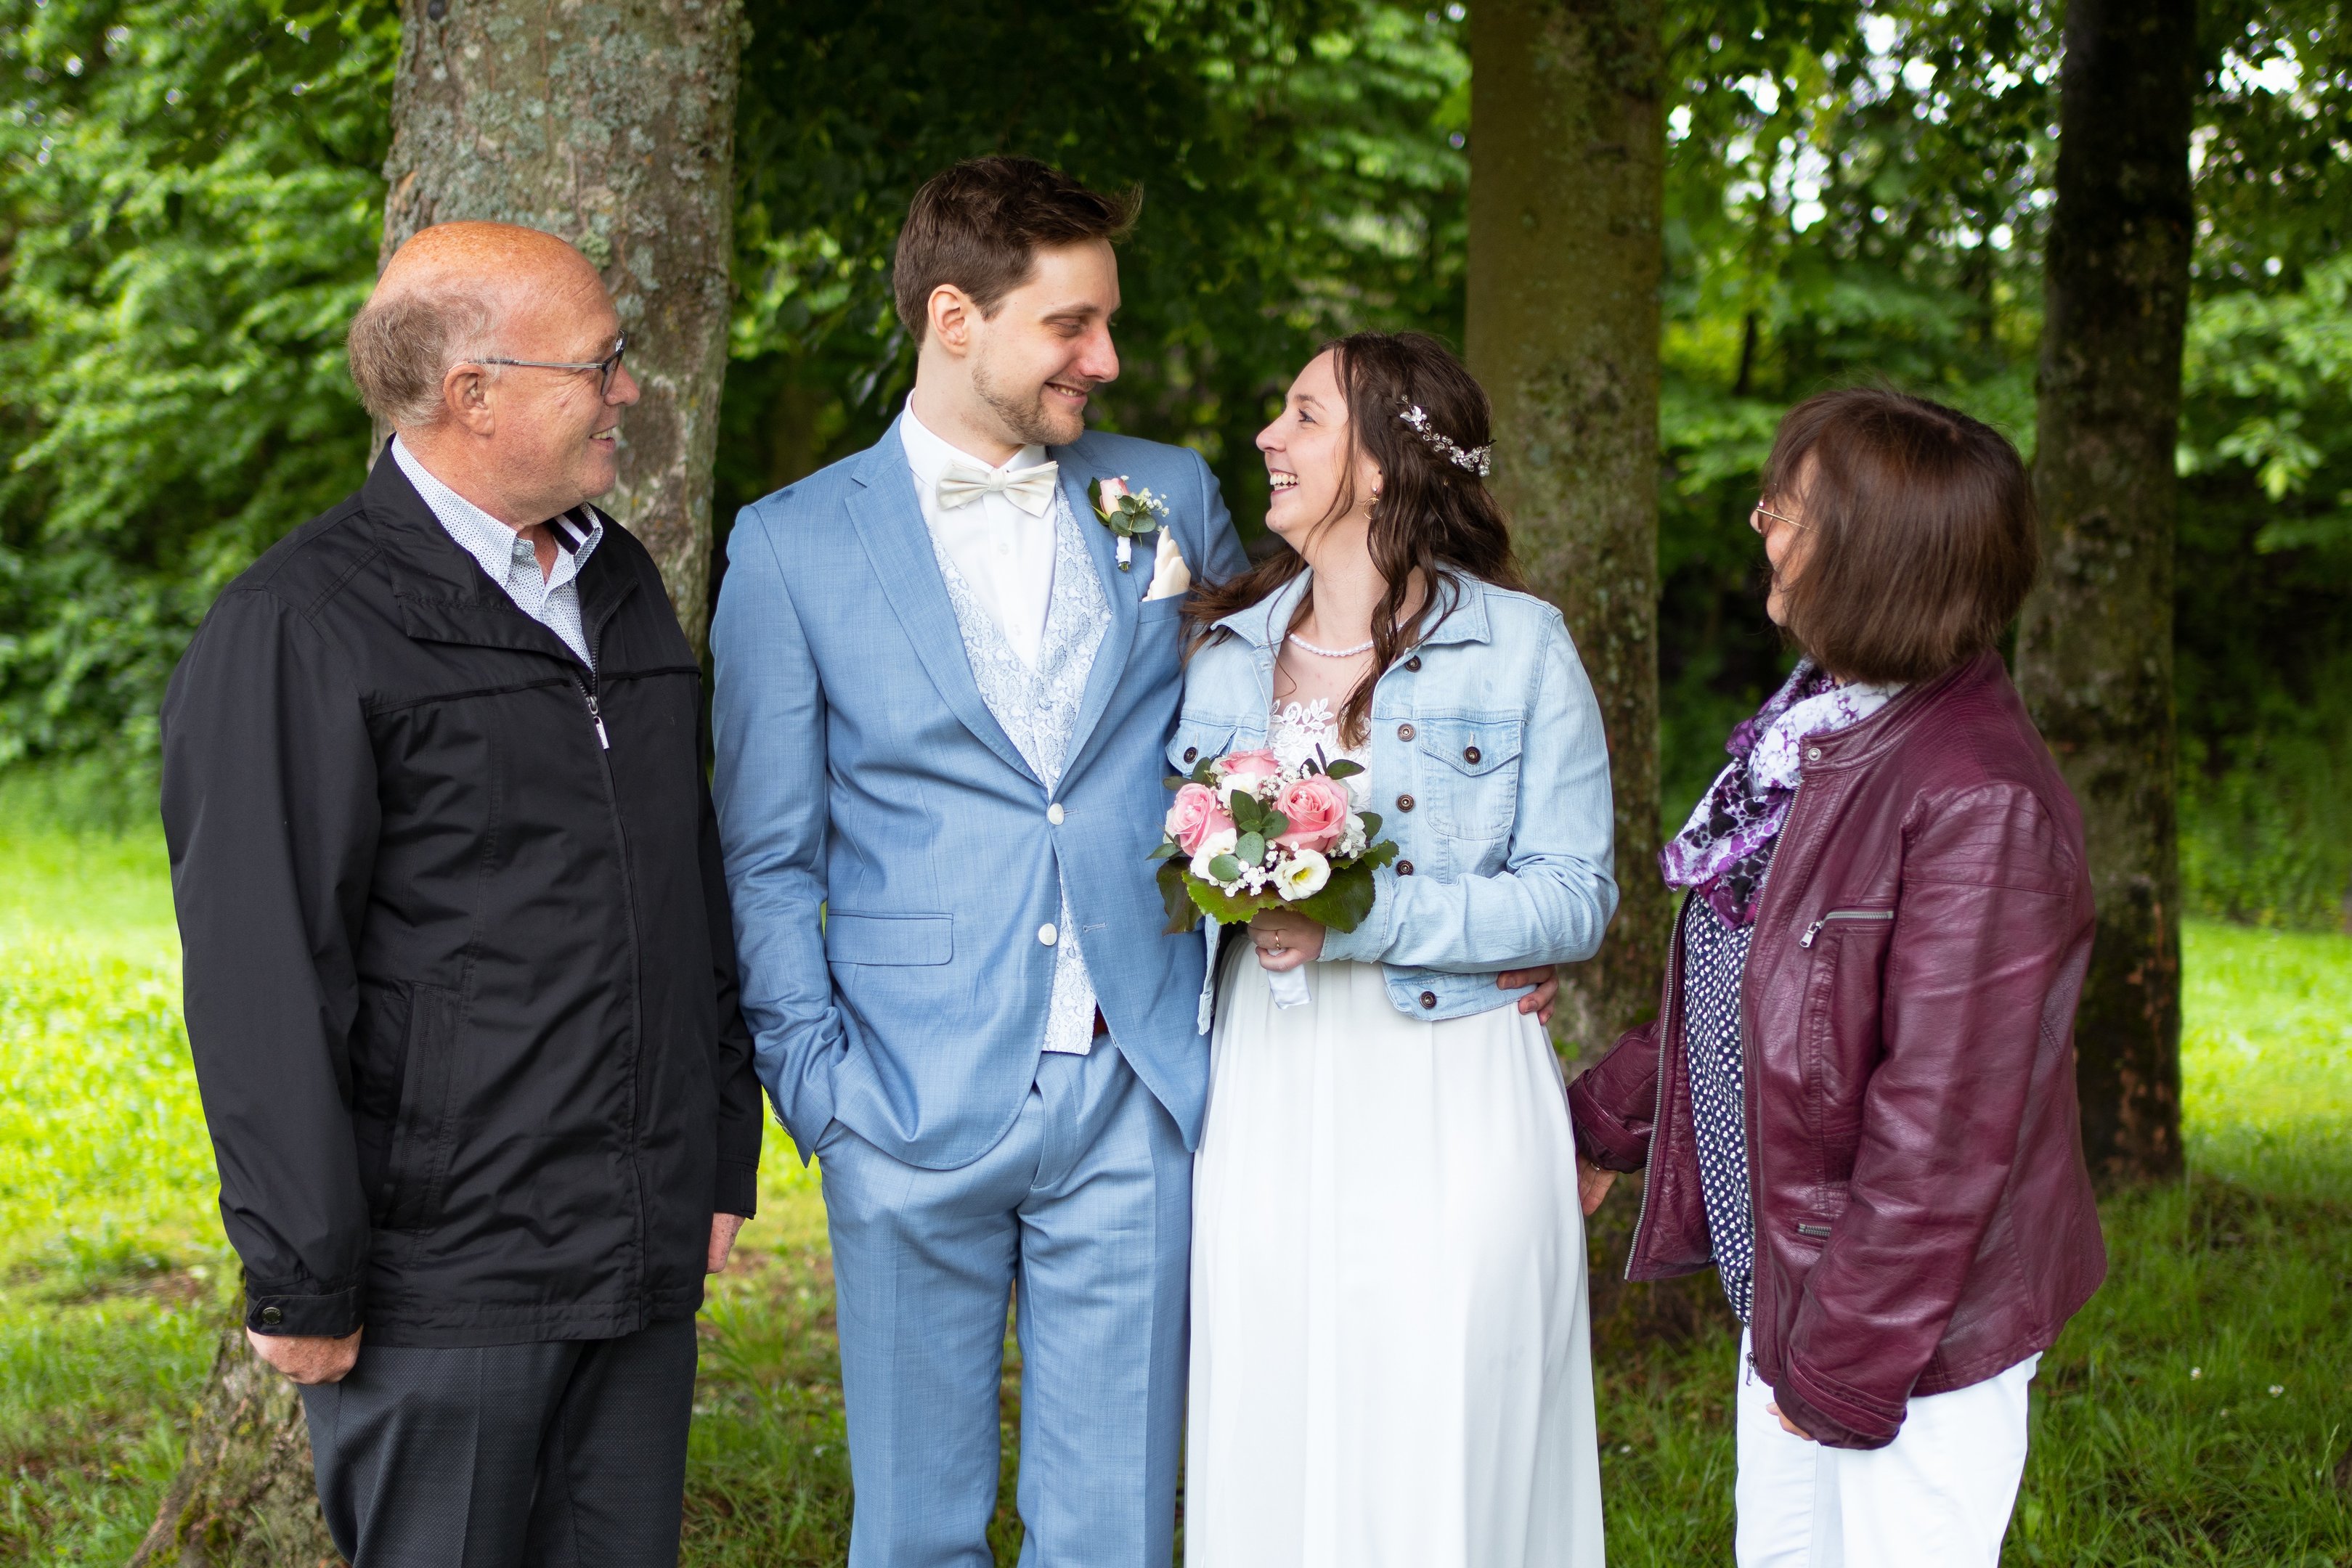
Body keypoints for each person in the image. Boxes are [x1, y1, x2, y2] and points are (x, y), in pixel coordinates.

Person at [711, 160, 1566, 1565]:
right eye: (1072, 327)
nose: (1105, 360)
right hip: (905, 1094)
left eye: (1107, 324)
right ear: (954, 318)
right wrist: (823, 1091)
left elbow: (1292, 729)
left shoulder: (1164, 495)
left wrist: (1470, 921)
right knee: (911, 1526)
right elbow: (764, 849)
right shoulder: (793, 542)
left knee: (1113, 1523)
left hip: (1143, 1081)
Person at [160, 221, 764, 1566]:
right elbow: (262, 978)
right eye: (598, 364)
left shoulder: (615, 582)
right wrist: (302, 1273)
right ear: (470, 394)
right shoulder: (300, 626)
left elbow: (683, 880)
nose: (625, 390)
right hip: (446, 1282)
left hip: (634, 1254)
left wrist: (717, 1146)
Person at [1570, 385, 2107, 1567]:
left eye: (1794, 507)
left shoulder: (1977, 797)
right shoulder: (1824, 726)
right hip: (1810, 1283)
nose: (1761, 520)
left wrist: (1844, 1371)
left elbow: (1948, 1132)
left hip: (1910, 1330)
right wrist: (1599, 1124)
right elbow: (1745, 980)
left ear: (1876, 556)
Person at [1177, 331, 1618, 1568]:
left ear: (1379, 466)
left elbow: (1576, 896)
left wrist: (1360, 923)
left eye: (1305, 415)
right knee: (1277, 1407)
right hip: (1271, 1078)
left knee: (1444, 1413)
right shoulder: (1224, 656)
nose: (1271, 435)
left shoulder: (1523, 647)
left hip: (1452, 1081)